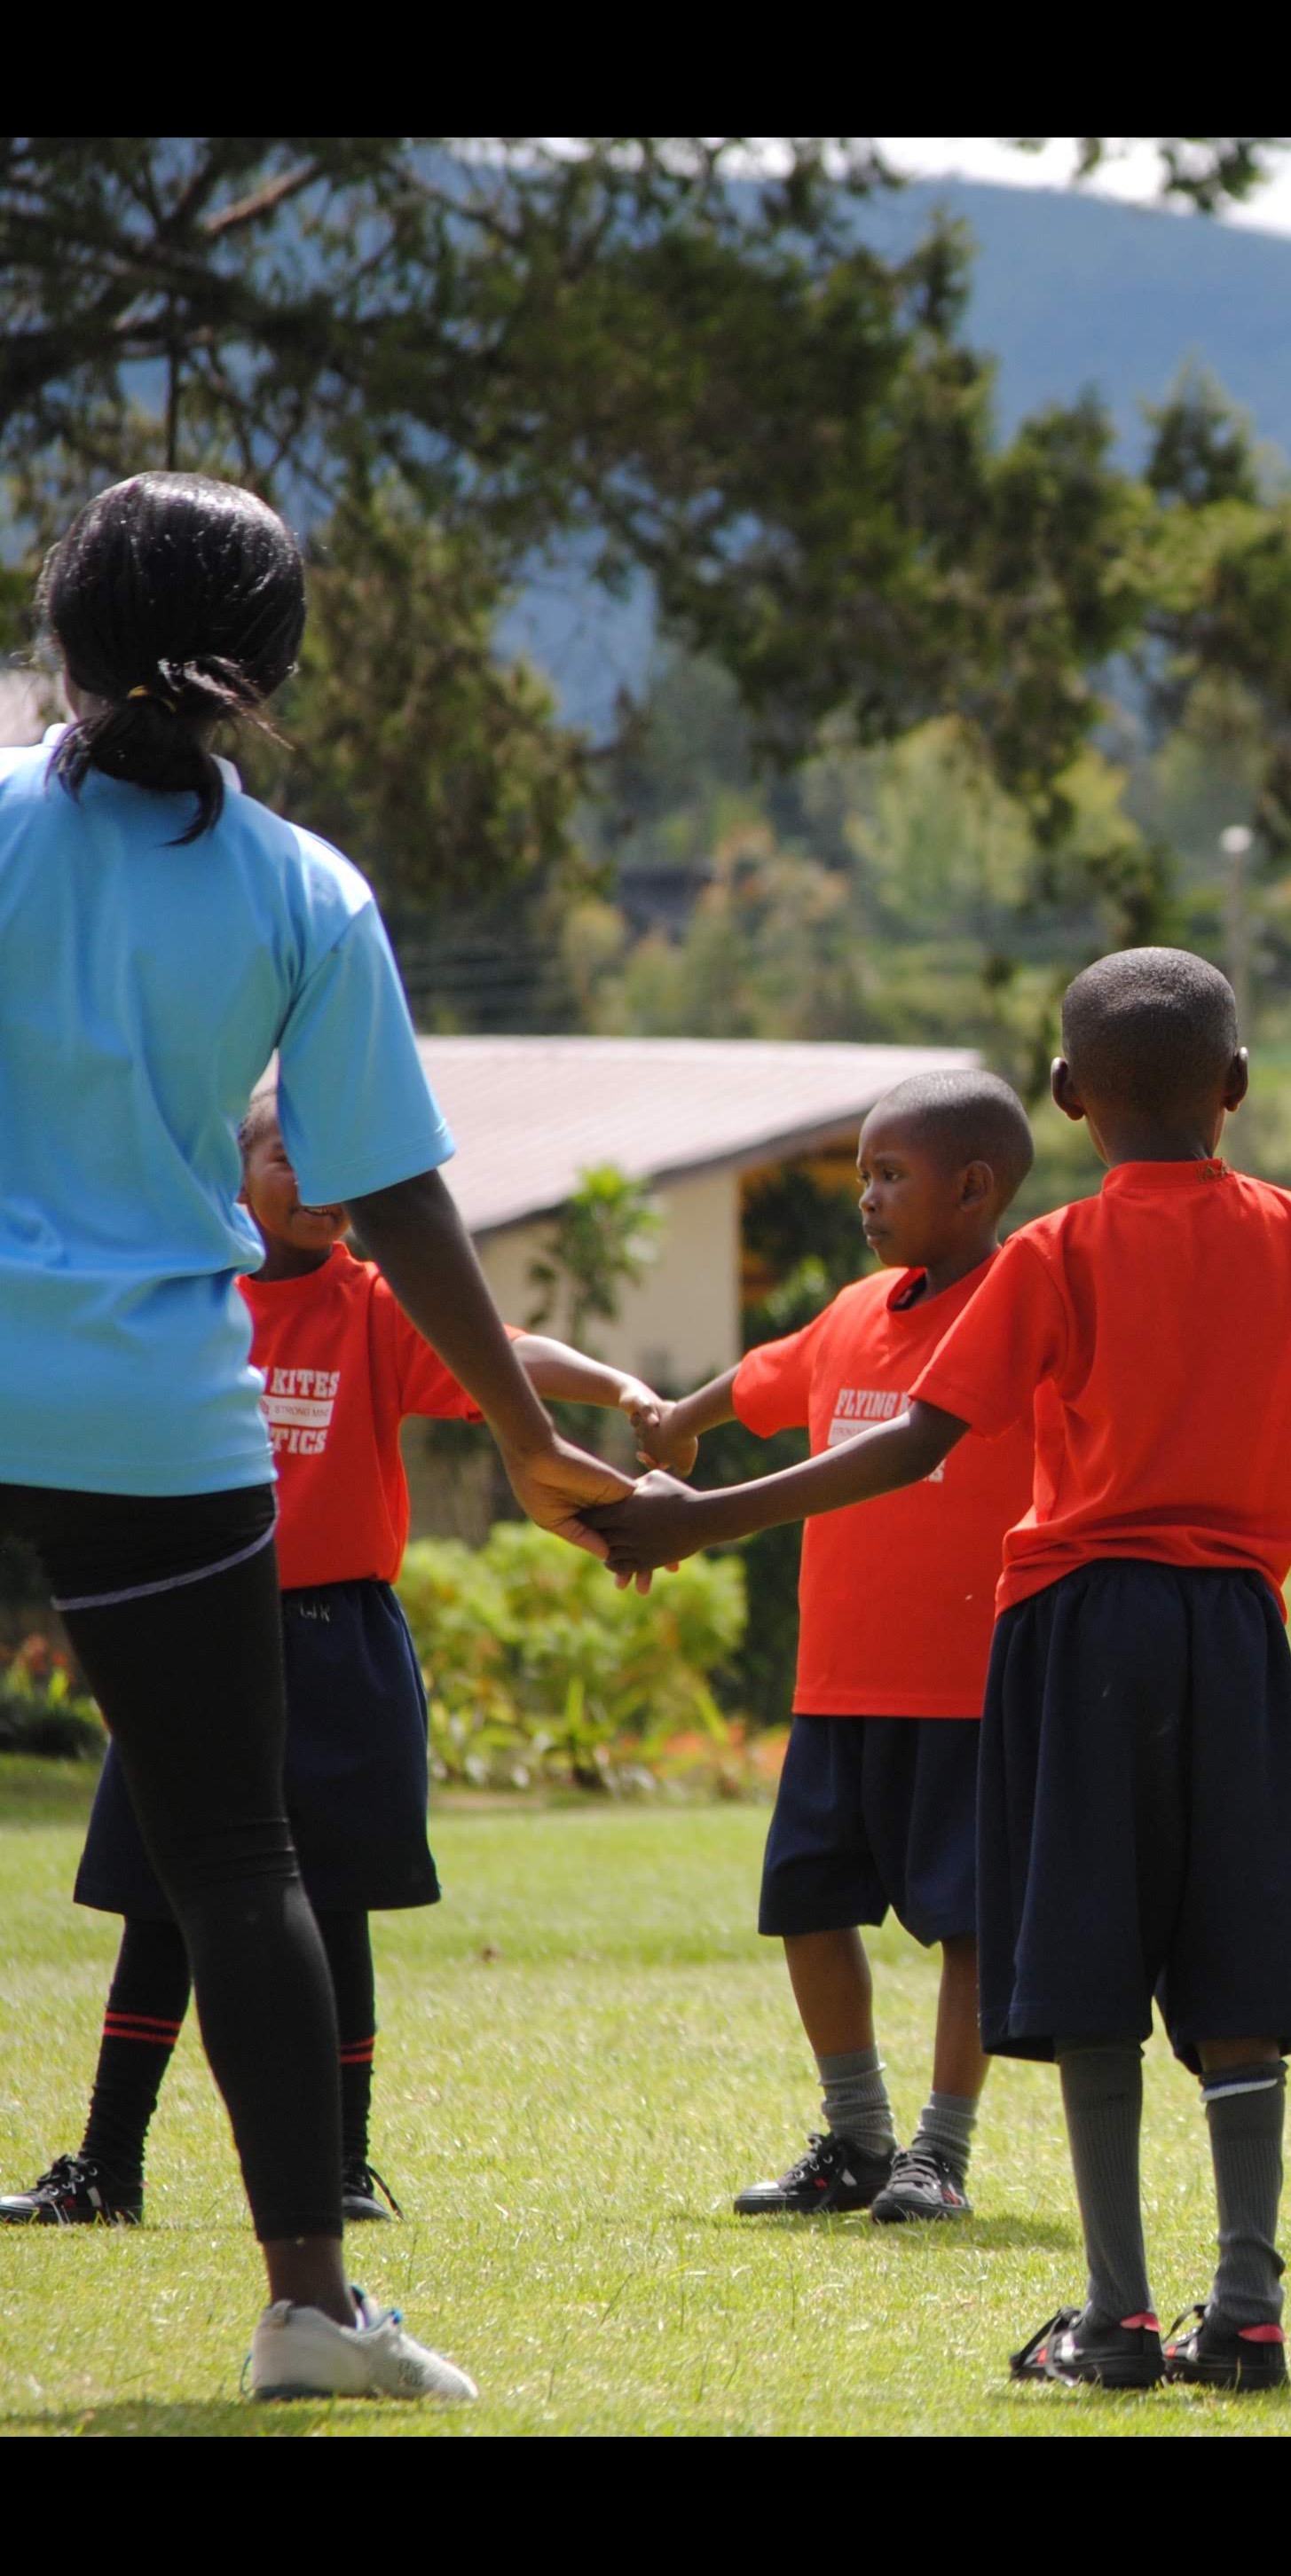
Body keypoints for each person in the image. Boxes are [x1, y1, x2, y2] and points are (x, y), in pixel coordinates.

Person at [593, 947, 1291, 2394]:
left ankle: (1112, 2315)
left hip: (1077, 1628)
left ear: (1063, 1097)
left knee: (1091, 1964)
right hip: (1230, 1630)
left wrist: (697, 1514)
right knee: (1233, 1955)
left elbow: (917, 1440)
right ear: (1234, 1088)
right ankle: (1244, 2307)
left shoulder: (1049, 1253)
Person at [0, 472, 629, 2403]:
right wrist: (529, 1444)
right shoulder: (303, 887)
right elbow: (402, 1196)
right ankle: (304, 2312)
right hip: (160, 1417)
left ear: (61, 628)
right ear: (272, 668)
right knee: (235, 1856)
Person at [4, 1095, 677, 2233]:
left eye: (331, 1162)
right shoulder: (188, 1297)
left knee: (335, 1907)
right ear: (236, 1169)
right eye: (283, 1157)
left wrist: (614, 1389)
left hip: (336, 1642)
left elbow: (503, 1354)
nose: (311, 1181)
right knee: (162, 1910)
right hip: (195, 1630)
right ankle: (105, 2167)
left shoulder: (376, 1304)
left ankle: (343, 2169)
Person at [653, 1072, 1036, 2227]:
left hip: (972, 1690)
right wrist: (679, 1421)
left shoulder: (1033, 1305)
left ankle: (940, 2152)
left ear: (972, 1190)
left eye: (889, 1175)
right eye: (864, 1172)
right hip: (838, 1687)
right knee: (808, 1906)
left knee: (967, 1927)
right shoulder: (857, 1312)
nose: (866, 1196)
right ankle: (859, 2140)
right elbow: (767, 1376)